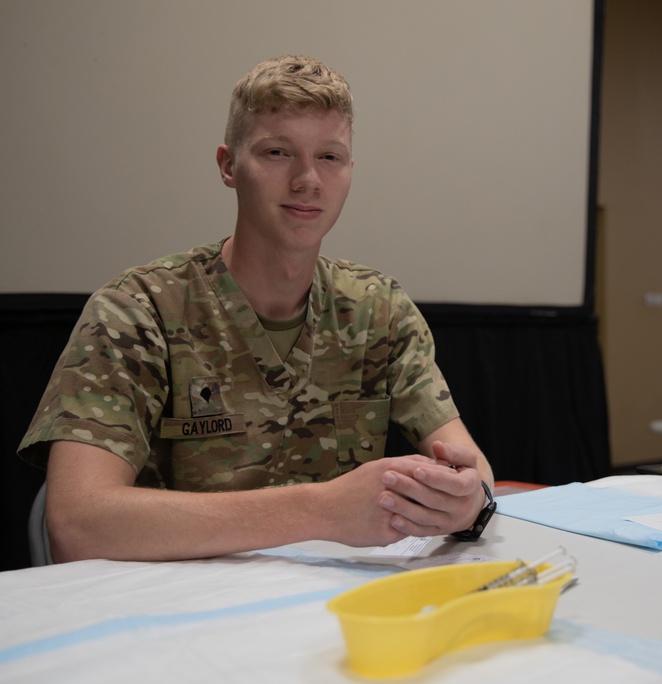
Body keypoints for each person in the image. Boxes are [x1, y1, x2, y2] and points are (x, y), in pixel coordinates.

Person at [18, 55, 494, 563]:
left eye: (330, 157)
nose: (308, 179)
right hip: (172, 617)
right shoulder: (137, 312)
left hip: (323, 612)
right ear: (228, 165)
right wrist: (322, 510)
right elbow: (78, 525)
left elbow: (473, 472)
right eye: (276, 152)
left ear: (350, 169)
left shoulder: (378, 311)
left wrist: (465, 502)